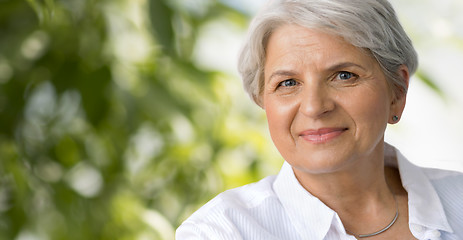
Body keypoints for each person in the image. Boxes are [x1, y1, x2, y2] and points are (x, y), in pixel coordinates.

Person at [176, 0, 463, 239]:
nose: (314, 107)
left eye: (344, 75)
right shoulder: (220, 231)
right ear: (263, 101)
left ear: (397, 93)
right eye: (288, 83)